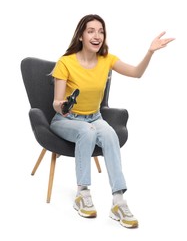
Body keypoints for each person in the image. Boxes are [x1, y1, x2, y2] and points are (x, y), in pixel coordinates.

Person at [50, 14, 175, 228]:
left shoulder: (107, 60)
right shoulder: (66, 63)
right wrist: (63, 105)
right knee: (87, 131)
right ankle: (82, 193)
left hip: (94, 117)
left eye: (101, 31)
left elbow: (136, 73)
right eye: (91, 31)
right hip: (66, 119)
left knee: (109, 134)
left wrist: (150, 52)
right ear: (81, 35)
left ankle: (118, 201)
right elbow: (55, 103)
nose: (97, 35)